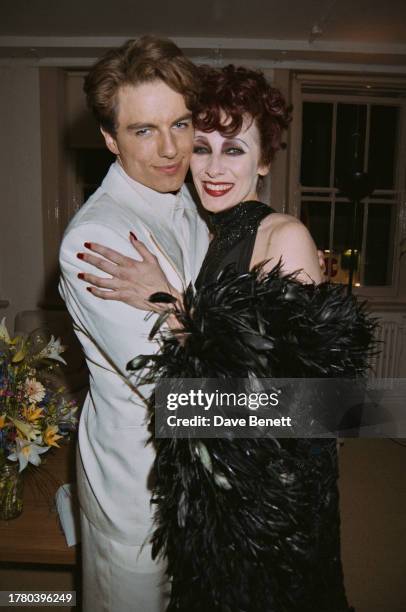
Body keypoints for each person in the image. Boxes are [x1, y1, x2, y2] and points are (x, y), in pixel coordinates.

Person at [77, 66, 375, 610]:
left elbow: (320, 409)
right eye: (203, 147)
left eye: (234, 150)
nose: (213, 168)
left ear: (263, 160)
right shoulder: (211, 233)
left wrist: (172, 304)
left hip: (274, 505)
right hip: (221, 495)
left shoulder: (284, 237)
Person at [58, 36, 210, 612]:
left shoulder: (188, 197)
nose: (171, 150)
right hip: (138, 485)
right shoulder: (96, 241)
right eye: (144, 130)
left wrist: (174, 304)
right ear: (110, 140)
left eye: (181, 124)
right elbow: (184, 396)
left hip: (197, 478)